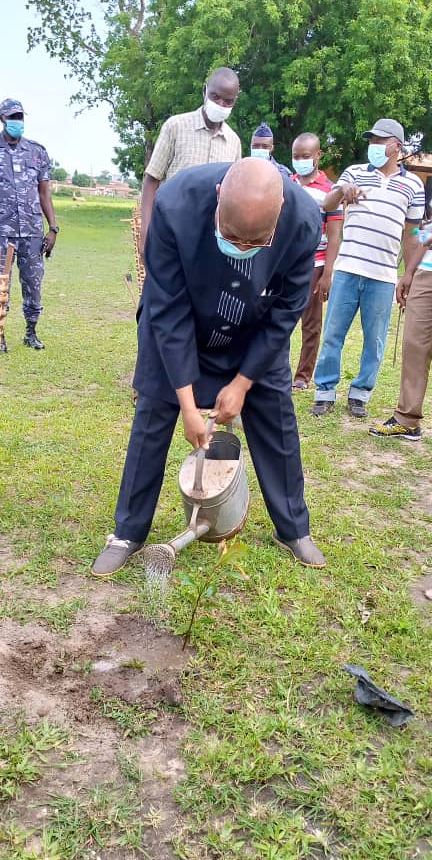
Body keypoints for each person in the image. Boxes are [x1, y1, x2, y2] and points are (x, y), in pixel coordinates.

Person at [92, 158, 326, 577]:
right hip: (184, 319)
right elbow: (168, 308)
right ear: (219, 197)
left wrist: (242, 382)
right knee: (153, 413)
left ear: (278, 223)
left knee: (276, 416)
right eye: (232, 236)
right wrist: (186, 404)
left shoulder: (306, 220)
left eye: (255, 243)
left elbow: (287, 310)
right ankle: (127, 532)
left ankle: (293, 528)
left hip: (255, 327)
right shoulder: (175, 203)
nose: (241, 247)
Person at [311, 119, 425, 419]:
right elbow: (327, 203)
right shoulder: (354, 173)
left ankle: (360, 394)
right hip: (348, 268)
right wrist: (343, 190)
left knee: (374, 341)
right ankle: (324, 393)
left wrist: (409, 274)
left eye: (381, 140)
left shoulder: (413, 184)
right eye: (372, 140)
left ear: (397, 147)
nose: (374, 145)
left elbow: (411, 234)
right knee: (333, 333)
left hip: (384, 275)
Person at [140, 67, 242, 251]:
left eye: (228, 101)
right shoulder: (176, 126)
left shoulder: (233, 142)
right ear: (204, 91)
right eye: (215, 97)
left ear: (235, 101)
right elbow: (151, 180)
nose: (220, 104)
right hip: (168, 231)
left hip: (210, 240)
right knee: (163, 279)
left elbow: (231, 196)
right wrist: (146, 232)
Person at [0, 98, 58, 353]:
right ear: (2, 119)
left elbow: (44, 193)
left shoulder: (37, 152)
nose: (17, 122)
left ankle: (31, 332)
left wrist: (53, 228)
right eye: (12, 117)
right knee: (1, 284)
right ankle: (0, 335)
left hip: (32, 232)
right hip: (2, 232)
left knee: (33, 284)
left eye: (20, 117)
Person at [290, 132, 343, 391]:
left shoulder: (330, 191)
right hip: (287, 263)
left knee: (310, 322)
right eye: (296, 156)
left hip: (315, 264)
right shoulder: (287, 183)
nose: (300, 161)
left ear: (318, 156)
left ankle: (302, 375)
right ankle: (274, 369)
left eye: (305, 156)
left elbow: (334, 235)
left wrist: (327, 273)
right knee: (279, 316)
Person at [369, 228, 432, 441]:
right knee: (414, 346)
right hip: (426, 273)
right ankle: (407, 419)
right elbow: (427, 236)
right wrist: (409, 272)